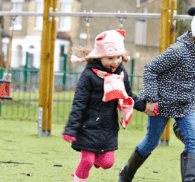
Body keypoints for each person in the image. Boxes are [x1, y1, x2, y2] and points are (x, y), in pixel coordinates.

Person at [118, 5, 195, 182]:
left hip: (186, 104)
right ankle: (126, 174)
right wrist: (151, 99)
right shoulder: (178, 51)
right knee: (151, 142)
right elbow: (150, 69)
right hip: (162, 103)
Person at [62, 29, 146, 182]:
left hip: (108, 126)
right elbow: (79, 103)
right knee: (87, 161)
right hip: (87, 125)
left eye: (119, 57)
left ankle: (92, 162)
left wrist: (146, 107)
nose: (115, 62)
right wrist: (70, 129)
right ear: (99, 57)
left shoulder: (120, 74)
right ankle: (79, 179)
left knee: (107, 163)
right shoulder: (88, 75)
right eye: (110, 58)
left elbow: (128, 96)